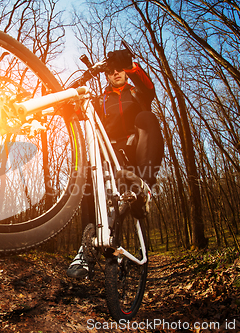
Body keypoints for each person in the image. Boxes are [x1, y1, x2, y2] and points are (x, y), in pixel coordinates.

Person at [66, 49, 164, 279]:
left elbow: (149, 88)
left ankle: (145, 188)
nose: (116, 73)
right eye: (111, 71)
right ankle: (87, 248)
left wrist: (130, 65)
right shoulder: (101, 99)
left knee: (146, 117)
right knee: (89, 180)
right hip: (111, 154)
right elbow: (81, 114)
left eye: (119, 69)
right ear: (107, 76)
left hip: (138, 148)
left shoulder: (137, 91)